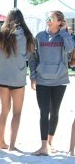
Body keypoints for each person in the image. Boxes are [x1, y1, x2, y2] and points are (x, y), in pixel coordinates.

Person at [28, 10, 74, 156]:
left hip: (59, 80)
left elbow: (70, 48)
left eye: (51, 18)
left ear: (59, 22)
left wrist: (64, 31)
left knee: (54, 112)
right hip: (42, 80)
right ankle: (43, 146)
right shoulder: (40, 36)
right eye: (47, 17)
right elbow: (33, 57)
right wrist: (33, 76)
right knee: (44, 112)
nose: (48, 19)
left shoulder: (64, 37)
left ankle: (49, 143)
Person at [0, 8, 35, 151]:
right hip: (18, 77)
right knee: (17, 112)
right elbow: (29, 57)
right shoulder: (28, 35)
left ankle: (0, 141)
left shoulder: (1, 33)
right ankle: (12, 145)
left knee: (4, 110)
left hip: (3, 77)